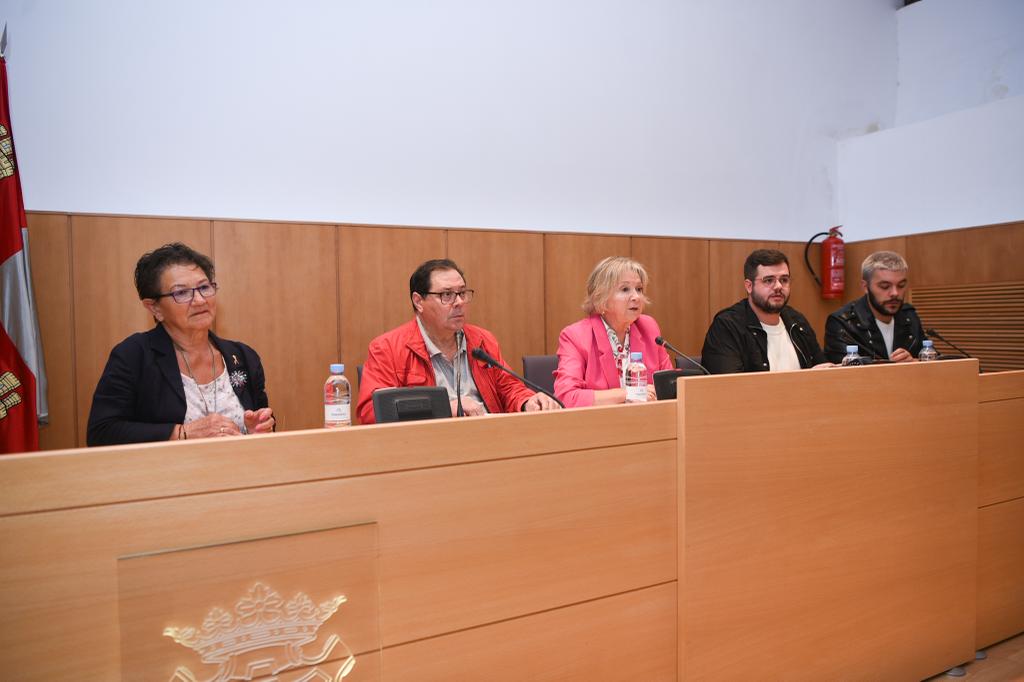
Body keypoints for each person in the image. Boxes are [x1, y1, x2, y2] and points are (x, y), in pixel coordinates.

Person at [87, 243, 275, 446]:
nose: (200, 300)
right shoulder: (133, 355)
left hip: (240, 473)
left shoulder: (243, 356)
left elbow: (264, 425)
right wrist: (182, 433)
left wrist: (258, 431)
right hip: (166, 476)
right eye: (182, 293)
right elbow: (102, 433)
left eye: (204, 288)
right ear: (154, 308)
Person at [356, 258, 561, 424]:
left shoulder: (482, 341)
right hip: (425, 450)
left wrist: (527, 401)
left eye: (462, 293)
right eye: (447, 295)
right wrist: (445, 407)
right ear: (418, 301)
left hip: (487, 443)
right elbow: (372, 411)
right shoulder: (388, 348)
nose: (460, 302)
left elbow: (509, 388)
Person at [554, 256, 673, 407]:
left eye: (639, 289)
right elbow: (566, 396)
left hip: (647, 423)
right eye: (625, 289)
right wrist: (628, 393)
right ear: (601, 298)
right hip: (599, 426)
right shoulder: (576, 336)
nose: (636, 297)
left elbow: (669, 383)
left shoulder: (648, 327)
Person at [701, 249, 829, 373]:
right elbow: (730, 387)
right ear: (749, 286)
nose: (778, 286)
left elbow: (822, 370)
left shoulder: (798, 322)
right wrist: (804, 380)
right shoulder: (728, 326)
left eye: (784, 280)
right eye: (769, 280)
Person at [824, 250, 925, 364]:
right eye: (885, 286)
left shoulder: (909, 315)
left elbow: (929, 356)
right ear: (865, 287)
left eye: (901, 285)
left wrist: (914, 362)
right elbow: (840, 373)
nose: (895, 293)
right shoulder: (843, 322)